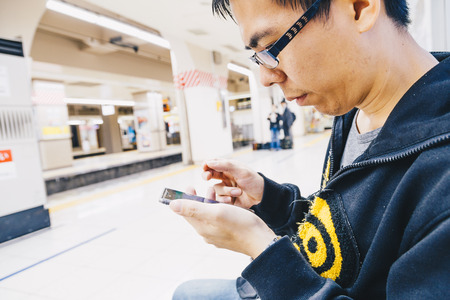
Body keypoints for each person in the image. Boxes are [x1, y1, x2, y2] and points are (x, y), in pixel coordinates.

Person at [170, 0, 450, 299]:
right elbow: (344, 232)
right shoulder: (352, 108)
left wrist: (260, 248)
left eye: (272, 46)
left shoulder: (440, 178)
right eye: (258, 58)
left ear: (359, 7)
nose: (265, 78)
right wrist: (268, 198)